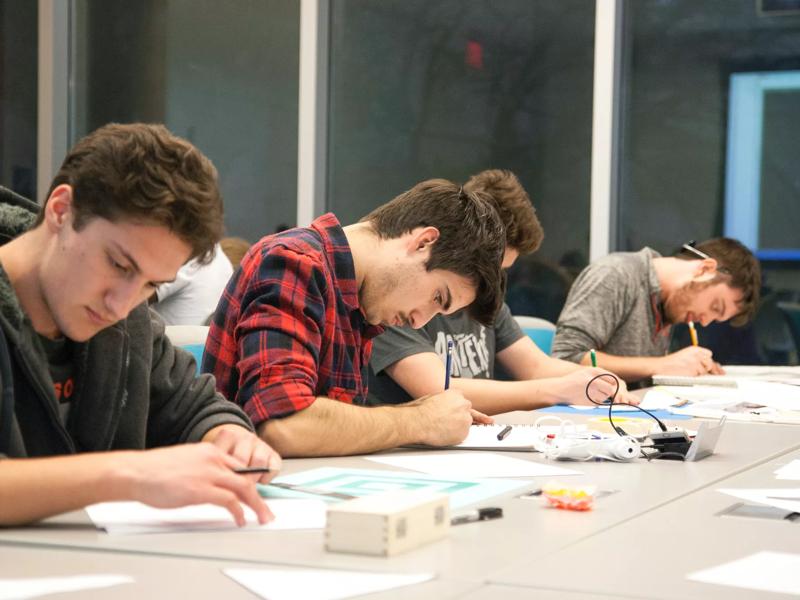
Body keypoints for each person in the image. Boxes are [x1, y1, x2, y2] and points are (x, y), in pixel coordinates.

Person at [0, 123, 280, 526]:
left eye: (151, 283)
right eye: (117, 264)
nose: (122, 303)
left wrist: (228, 437)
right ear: (61, 211)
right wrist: (129, 475)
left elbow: (193, 407)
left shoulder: (129, 324)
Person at [203, 179, 506, 457]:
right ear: (423, 242)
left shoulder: (360, 299)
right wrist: (421, 420)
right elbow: (283, 426)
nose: (419, 321)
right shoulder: (295, 263)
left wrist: (428, 413)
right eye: (438, 297)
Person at [368, 169, 634, 414]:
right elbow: (438, 388)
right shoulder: (401, 302)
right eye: (489, 269)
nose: (490, 283)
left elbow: (536, 367)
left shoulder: (486, 304)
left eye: (500, 272)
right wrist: (558, 390)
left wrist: (597, 380)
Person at [552, 238, 761, 384]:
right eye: (715, 306)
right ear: (705, 269)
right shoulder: (616, 275)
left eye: (716, 318)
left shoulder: (669, 305)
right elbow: (565, 358)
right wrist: (663, 365)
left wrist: (689, 369)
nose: (705, 322)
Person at [150, 242, 233, 325]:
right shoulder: (225, 264)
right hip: (196, 335)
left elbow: (139, 296)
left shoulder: (193, 258)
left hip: (171, 336)